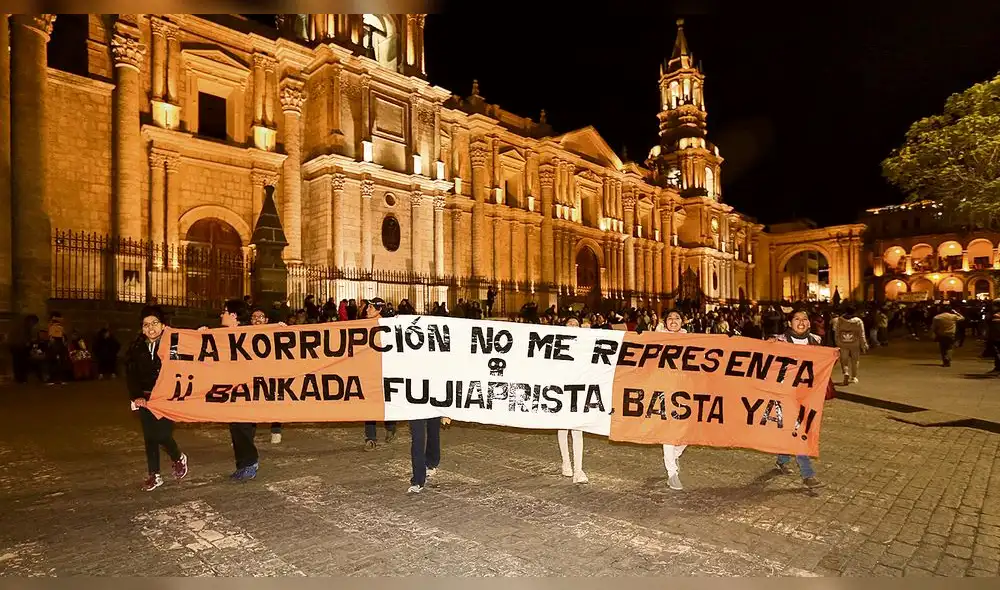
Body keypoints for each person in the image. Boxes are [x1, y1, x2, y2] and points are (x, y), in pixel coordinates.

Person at [126, 305, 189, 491]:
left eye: (155, 323)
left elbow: (195, 355)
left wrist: (202, 334)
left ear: (163, 325)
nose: (150, 328)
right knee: (150, 438)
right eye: (146, 324)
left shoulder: (174, 344)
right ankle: (154, 474)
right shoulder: (136, 347)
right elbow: (131, 374)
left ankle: (178, 456)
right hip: (145, 398)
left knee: (162, 434)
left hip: (168, 398)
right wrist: (136, 396)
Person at [204, 299, 260, 481]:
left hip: (247, 388)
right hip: (230, 388)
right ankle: (243, 463)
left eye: (225, 311)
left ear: (234, 315)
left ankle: (250, 463)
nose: (222, 315)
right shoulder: (222, 335)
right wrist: (201, 337)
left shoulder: (249, 334)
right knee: (236, 428)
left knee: (242, 426)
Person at [770, 308, 825, 488]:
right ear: (789, 323)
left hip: (807, 395)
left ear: (809, 323)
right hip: (784, 394)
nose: (801, 322)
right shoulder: (779, 341)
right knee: (799, 430)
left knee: (793, 429)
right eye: (796, 319)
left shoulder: (817, 342)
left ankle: (782, 459)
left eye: (804, 319)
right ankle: (808, 474)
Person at [555, 318, 588, 484]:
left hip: (579, 391)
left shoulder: (585, 345)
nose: (573, 326)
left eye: (576, 324)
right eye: (570, 323)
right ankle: (566, 463)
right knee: (562, 429)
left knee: (577, 430)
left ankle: (578, 469)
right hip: (560, 391)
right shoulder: (557, 344)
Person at [658, 310, 688, 490]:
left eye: (677, 317)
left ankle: (675, 453)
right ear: (665, 322)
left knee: (688, 430)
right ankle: (672, 472)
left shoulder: (690, 340)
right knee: (668, 431)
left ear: (682, 322)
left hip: (685, 390)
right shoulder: (656, 339)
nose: (673, 321)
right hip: (663, 389)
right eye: (670, 318)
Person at [361, 298, 397, 449]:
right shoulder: (362, 324)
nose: (367, 310)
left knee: (385, 401)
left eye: (370, 307)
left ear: (379, 309)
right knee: (369, 403)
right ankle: (370, 438)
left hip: (384, 369)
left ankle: (390, 427)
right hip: (368, 369)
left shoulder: (387, 326)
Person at [250, 306, 286, 443]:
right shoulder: (241, 333)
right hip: (250, 374)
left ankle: (276, 431)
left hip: (271, 372)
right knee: (250, 403)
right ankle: (249, 434)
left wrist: (284, 329)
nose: (257, 320)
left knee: (274, 401)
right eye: (254, 317)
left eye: (260, 317)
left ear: (266, 320)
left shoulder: (274, 332)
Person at [408, 417, 451, 493]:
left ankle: (431, 463)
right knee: (417, 438)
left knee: (433, 431)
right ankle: (418, 481)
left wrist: (445, 413)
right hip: (414, 408)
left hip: (433, 406)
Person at [832, 305, 867, 385]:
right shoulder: (858, 321)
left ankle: (845, 373)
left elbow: (836, 332)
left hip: (843, 342)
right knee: (855, 360)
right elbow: (861, 334)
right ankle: (853, 377)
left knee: (844, 360)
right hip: (855, 343)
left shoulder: (840, 320)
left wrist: (837, 342)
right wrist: (863, 344)